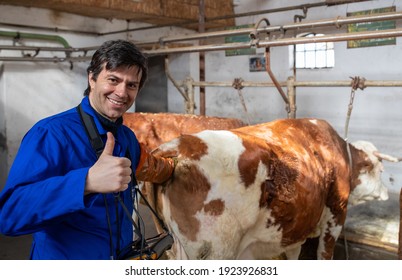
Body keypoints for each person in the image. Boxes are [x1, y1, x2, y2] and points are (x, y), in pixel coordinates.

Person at [0, 40, 175, 260]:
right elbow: (9, 216)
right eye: (113, 80)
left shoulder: (126, 137)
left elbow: (156, 167)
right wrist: (86, 182)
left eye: (132, 85)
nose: (122, 92)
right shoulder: (51, 133)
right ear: (91, 79)